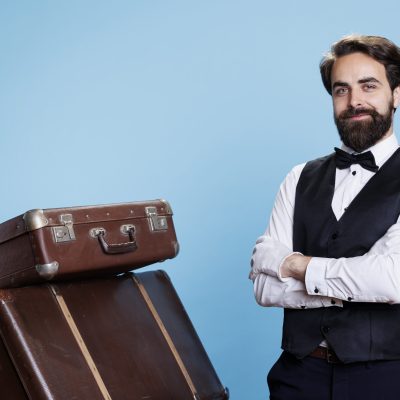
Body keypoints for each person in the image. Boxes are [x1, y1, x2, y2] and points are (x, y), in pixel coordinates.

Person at [250, 34, 400, 400]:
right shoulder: (298, 177)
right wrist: (353, 285)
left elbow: (391, 279)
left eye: (369, 86)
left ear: (396, 94)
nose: (355, 101)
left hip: (387, 379)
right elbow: (263, 287)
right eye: (341, 90)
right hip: (298, 376)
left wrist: (296, 266)